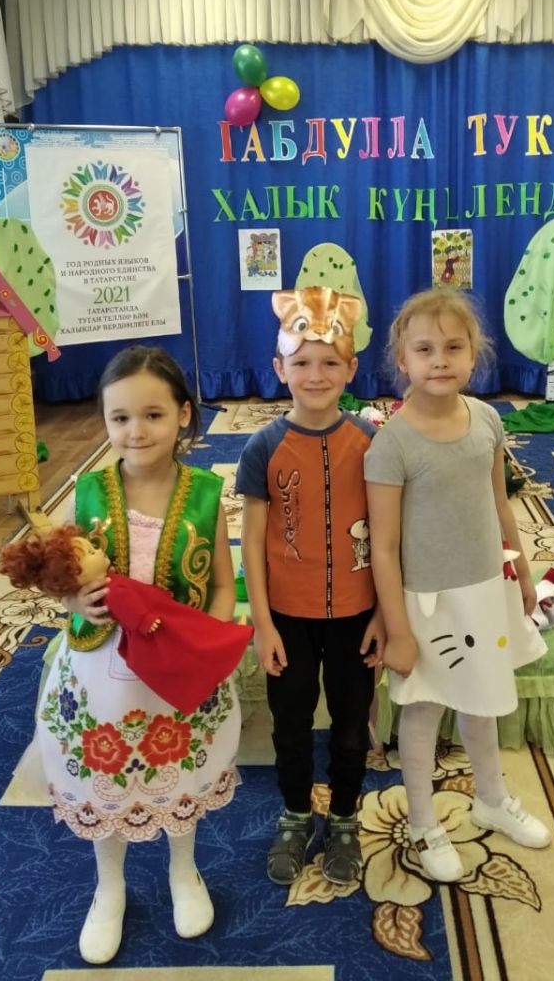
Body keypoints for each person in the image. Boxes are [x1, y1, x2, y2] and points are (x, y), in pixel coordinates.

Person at [34, 345, 240, 965]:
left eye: (153, 414)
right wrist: (74, 603)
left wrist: (207, 641)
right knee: (106, 777)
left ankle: (184, 869)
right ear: (103, 419)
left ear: (183, 415)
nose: (136, 431)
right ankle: (110, 887)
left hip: (177, 671)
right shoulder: (87, 493)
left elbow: (222, 583)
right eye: (119, 417)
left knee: (180, 769)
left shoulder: (205, 494)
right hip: (101, 674)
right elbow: (57, 578)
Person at [364, 289, 552, 883]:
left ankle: (491, 799)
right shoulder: (392, 443)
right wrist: (398, 629)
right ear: (403, 360)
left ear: (475, 355)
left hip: (484, 591)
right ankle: (424, 822)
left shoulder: (488, 420)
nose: (439, 360)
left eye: (453, 347)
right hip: (427, 604)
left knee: (482, 700)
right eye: (425, 349)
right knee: (423, 712)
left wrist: (522, 572)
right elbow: (384, 547)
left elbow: (499, 503)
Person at [236, 286, 385, 888]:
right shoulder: (263, 447)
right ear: (280, 369)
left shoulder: (372, 443)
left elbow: (389, 537)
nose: (316, 375)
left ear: (351, 368)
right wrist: (262, 624)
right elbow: (251, 542)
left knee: (351, 726)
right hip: (287, 618)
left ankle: (344, 816)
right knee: (291, 723)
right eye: (301, 362)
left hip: (357, 615)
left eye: (329, 362)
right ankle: (296, 813)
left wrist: (384, 615)